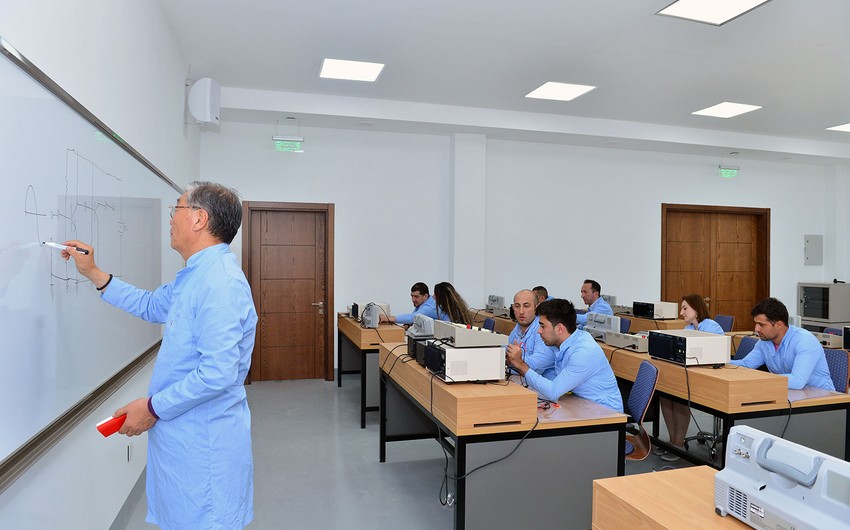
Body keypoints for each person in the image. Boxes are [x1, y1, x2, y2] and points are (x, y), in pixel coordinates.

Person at [62, 181, 257, 529]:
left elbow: (218, 373)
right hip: (184, 440)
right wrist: (93, 272)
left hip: (204, 444)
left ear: (199, 218)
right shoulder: (196, 275)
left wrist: (151, 408)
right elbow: (152, 305)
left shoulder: (221, 283)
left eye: (176, 209)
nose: (170, 218)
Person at [506, 298, 623, 412]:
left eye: (542, 326)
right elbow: (539, 365)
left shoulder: (583, 352)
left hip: (606, 413)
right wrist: (516, 359)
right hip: (579, 403)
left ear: (559, 329)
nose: (539, 331)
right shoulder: (560, 342)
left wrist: (521, 365)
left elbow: (553, 391)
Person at [657, 294, 724, 461]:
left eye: (685, 308)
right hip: (691, 374)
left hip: (709, 379)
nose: (681, 313)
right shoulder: (689, 329)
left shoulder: (712, 327)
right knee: (666, 395)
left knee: (679, 396)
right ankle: (673, 442)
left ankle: (679, 444)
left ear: (697, 309)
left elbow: (713, 356)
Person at [731, 297, 835, 391]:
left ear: (779, 325)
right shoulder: (764, 342)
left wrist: (761, 378)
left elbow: (797, 381)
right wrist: (722, 362)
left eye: (761, 325)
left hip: (822, 399)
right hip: (788, 394)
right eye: (756, 324)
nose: (756, 329)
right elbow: (746, 365)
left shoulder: (804, 340)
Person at [506, 290, 557, 379]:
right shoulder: (518, 327)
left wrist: (513, 359)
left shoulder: (543, 328)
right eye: (517, 306)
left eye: (526, 306)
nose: (521, 311)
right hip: (520, 378)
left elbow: (536, 366)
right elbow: (505, 352)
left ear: (536, 308)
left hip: (542, 382)